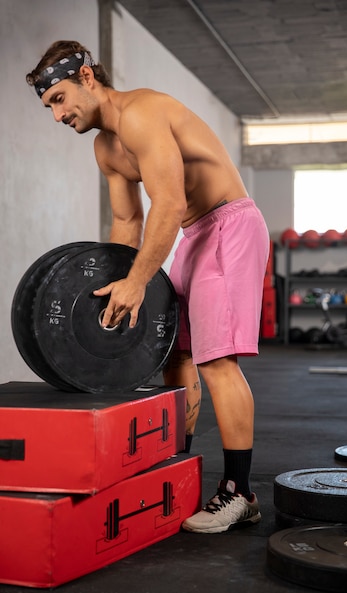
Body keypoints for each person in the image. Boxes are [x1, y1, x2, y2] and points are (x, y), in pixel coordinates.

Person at [26, 41, 270, 533]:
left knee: (216, 359)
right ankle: (176, 464)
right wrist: (115, 285)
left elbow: (170, 200)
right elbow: (126, 222)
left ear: (88, 77)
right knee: (172, 350)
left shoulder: (143, 112)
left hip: (228, 225)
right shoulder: (104, 147)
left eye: (58, 98)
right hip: (193, 233)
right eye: (49, 105)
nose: (57, 115)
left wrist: (139, 282)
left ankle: (240, 491)